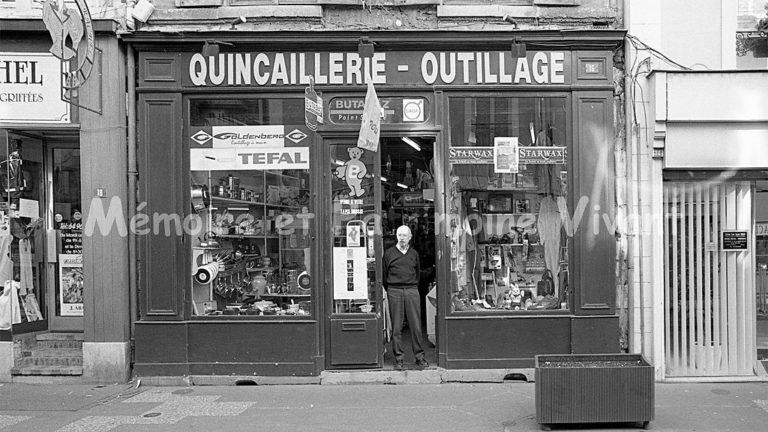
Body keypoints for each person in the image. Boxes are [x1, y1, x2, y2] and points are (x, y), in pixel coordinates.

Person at [384, 225, 428, 370]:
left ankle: (419, 357)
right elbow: (384, 275)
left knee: (416, 325)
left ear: (410, 237)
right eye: (399, 235)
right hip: (394, 290)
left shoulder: (414, 254)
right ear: (396, 236)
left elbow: (417, 274)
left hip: (411, 289)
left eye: (404, 235)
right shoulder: (389, 253)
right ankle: (399, 359)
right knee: (396, 327)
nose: (402, 238)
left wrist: (412, 286)